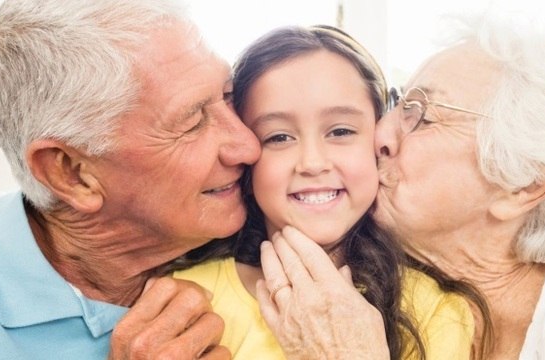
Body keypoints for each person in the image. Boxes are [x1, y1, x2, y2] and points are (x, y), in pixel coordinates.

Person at [255, 10, 545, 360]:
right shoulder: (346, 271)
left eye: (420, 115)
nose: (380, 134)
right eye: (398, 102)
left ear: (523, 185)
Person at [171, 25, 489, 359]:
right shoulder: (186, 300)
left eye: (340, 131)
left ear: (378, 140)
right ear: (247, 158)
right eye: (278, 137)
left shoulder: (437, 313)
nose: (312, 162)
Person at [0, 0, 260, 358]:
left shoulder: (279, 223)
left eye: (227, 94)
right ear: (72, 174)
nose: (248, 147)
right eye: (192, 122)